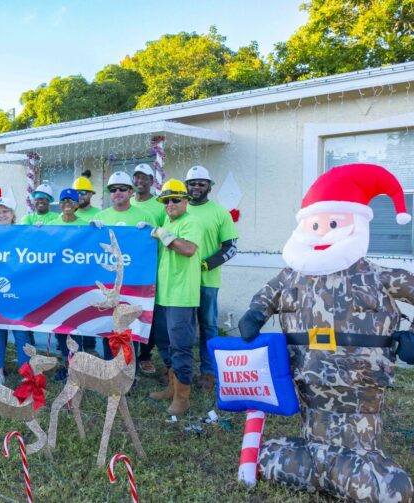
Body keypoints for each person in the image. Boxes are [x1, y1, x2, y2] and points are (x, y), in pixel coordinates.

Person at [238, 164, 414, 501]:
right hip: (307, 376)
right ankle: (314, 459)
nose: (321, 233)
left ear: (357, 224)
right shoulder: (291, 276)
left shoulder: (378, 277)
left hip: (360, 384)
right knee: (313, 421)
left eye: (333, 224)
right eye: (314, 225)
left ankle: (362, 463)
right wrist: (255, 314)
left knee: (370, 451)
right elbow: (265, 297)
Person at [148, 179, 203, 416]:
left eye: (175, 200)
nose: (170, 204)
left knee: (181, 347)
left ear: (185, 201)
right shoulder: (168, 222)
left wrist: (163, 234)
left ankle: (183, 398)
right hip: (163, 295)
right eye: (166, 200)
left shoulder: (191, 221)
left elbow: (189, 249)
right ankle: (172, 387)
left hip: (181, 297)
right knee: (165, 344)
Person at [184, 165, 238, 391]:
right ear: (186, 186)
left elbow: (231, 247)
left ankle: (208, 371)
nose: (196, 187)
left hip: (207, 282)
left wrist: (206, 265)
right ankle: (181, 371)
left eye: (201, 183)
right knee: (183, 327)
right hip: (181, 282)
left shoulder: (220, 212)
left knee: (208, 326)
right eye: (192, 183)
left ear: (209, 186)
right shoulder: (178, 209)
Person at [92, 171, 156, 361]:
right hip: (109, 280)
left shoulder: (145, 215)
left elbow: (155, 247)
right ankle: (110, 366)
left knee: (131, 326)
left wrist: (149, 232)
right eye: (113, 189)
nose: (117, 192)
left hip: (134, 281)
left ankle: (129, 369)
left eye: (122, 188)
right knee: (108, 325)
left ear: (130, 191)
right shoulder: (101, 216)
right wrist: (91, 232)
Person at [0, 196, 32, 385]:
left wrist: (41, 230)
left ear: (12, 214)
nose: (1, 215)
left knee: (21, 331)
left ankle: (26, 373)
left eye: (5, 211)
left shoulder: (23, 232)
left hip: (18, 289)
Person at [48, 188, 95, 379]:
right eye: (64, 200)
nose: (67, 204)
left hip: (78, 284)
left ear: (77, 204)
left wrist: (97, 230)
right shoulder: (51, 225)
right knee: (61, 327)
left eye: (71, 201)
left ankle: (78, 366)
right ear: (59, 204)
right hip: (57, 285)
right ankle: (68, 364)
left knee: (76, 326)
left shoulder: (86, 226)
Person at [129, 163, 167, 375]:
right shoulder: (126, 201)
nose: (140, 181)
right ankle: (127, 354)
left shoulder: (160, 206)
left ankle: (145, 355)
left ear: (152, 181)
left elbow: (165, 235)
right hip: (128, 270)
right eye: (137, 177)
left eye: (144, 177)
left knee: (148, 313)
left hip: (151, 268)